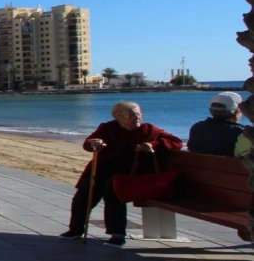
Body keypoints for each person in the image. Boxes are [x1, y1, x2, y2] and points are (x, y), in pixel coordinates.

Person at [61, 101, 183, 245]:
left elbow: (176, 142)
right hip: (103, 169)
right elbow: (88, 144)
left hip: (130, 173)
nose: (137, 117)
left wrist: (152, 145)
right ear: (118, 117)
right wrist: (94, 143)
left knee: (112, 191)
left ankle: (118, 234)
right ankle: (76, 229)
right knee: (84, 193)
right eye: (131, 115)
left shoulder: (149, 129)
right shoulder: (108, 128)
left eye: (138, 114)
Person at [187, 91, 243, 155]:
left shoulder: (197, 127)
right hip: (225, 165)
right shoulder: (239, 132)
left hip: (198, 164)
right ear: (237, 111)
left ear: (211, 111)